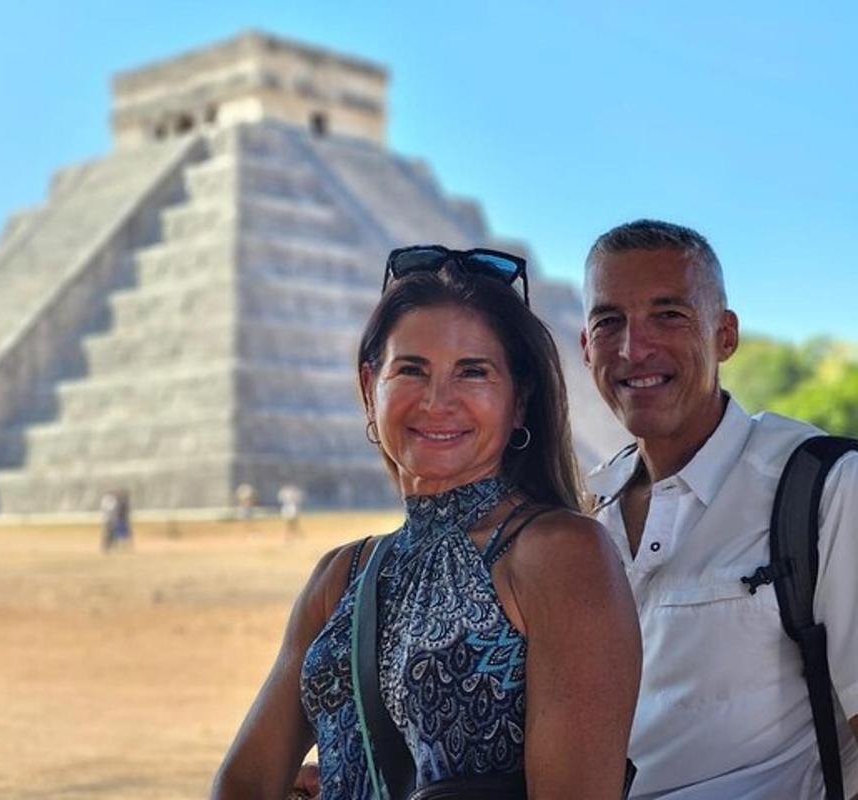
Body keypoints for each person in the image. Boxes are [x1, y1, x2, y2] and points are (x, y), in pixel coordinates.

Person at [213, 246, 641, 799]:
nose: (438, 401)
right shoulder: (340, 577)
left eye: (473, 372)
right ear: (371, 389)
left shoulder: (559, 554)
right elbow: (242, 782)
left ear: (519, 401)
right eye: (411, 370)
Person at [580, 219, 858, 798]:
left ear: (724, 335)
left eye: (669, 315)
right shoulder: (582, 520)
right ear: (585, 347)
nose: (634, 348)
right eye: (609, 322)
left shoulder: (825, 490)